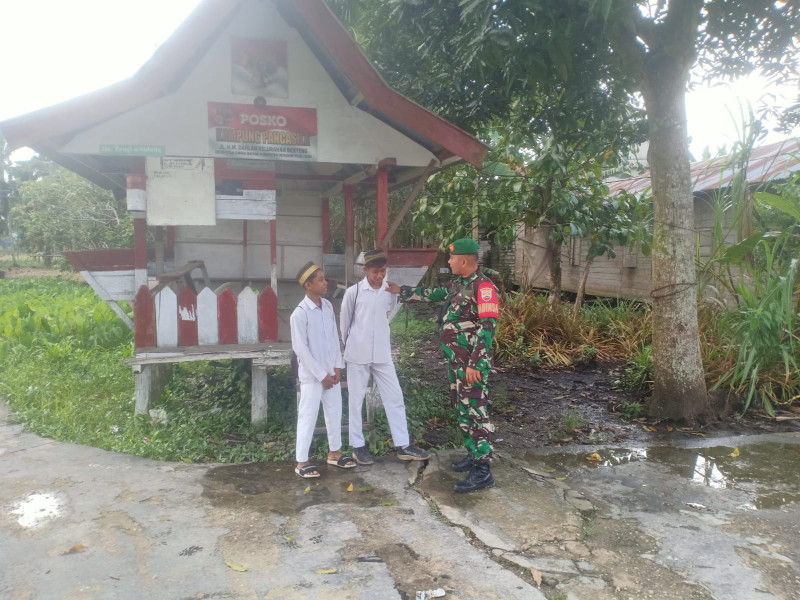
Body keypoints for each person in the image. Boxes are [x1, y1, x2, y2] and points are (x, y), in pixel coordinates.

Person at [387, 238, 499, 493]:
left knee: (476, 413)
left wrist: (476, 363)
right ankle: (473, 456)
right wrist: (401, 291)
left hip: (471, 364)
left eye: (451, 258)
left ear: (464, 260)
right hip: (457, 362)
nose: (448, 262)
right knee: (463, 410)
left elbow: (488, 329)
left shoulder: (484, 288)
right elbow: (434, 293)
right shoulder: (459, 284)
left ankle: (483, 470)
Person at [340, 249, 430, 465]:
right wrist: (351, 344)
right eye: (375, 271)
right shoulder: (353, 292)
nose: (379, 275)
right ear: (365, 270)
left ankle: (403, 445)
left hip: (382, 353)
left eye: (382, 270)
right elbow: (344, 323)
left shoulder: (391, 292)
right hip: (357, 354)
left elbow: (388, 316)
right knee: (356, 400)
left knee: (395, 396)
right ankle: (358, 446)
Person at [290, 261, 356, 478]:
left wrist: (337, 367)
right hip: (312, 377)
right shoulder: (299, 314)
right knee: (307, 416)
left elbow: (334, 339)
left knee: (335, 412)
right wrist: (321, 375)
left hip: (331, 374)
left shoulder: (327, 306)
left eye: (324, 278)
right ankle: (302, 462)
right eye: (320, 279)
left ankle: (334, 453)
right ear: (308, 285)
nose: (325, 282)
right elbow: (301, 349)